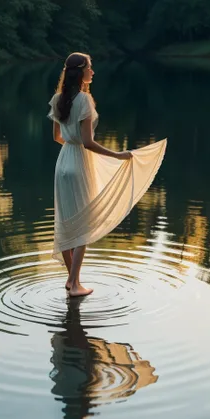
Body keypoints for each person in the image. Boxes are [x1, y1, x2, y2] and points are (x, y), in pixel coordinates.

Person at [48, 52, 167, 298]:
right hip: (80, 162)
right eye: (90, 68)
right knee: (84, 224)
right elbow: (88, 142)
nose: (93, 71)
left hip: (63, 164)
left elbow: (57, 138)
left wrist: (71, 152)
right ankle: (74, 284)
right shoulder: (84, 100)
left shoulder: (58, 98)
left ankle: (72, 281)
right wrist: (118, 155)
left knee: (66, 223)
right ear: (81, 71)